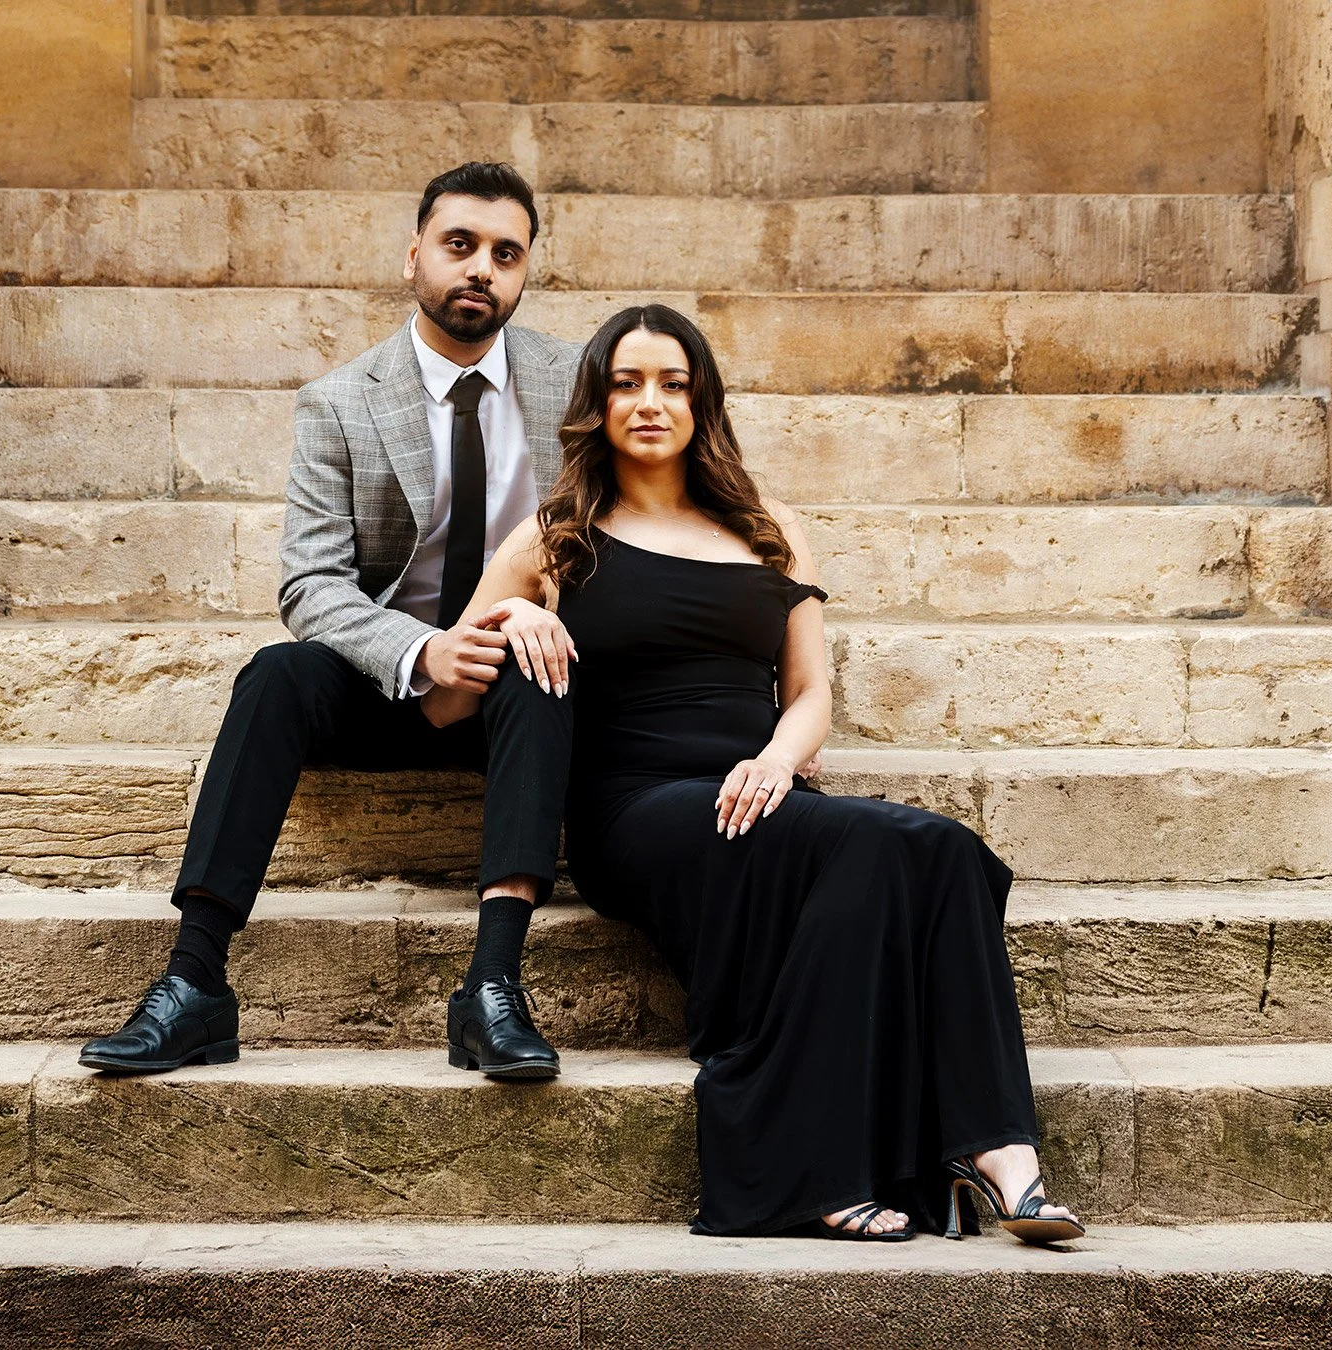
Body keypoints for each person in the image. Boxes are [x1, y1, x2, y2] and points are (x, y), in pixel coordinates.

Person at [422, 304, 1085, 1244]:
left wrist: (777, 759)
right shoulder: (553, 537)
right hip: (638, 812)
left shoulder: (769, 529)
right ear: (595, 404)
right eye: (626, 383)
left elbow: (810, 691)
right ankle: (823, 1171)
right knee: (893, 846)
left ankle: (999, 1154)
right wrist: (508, 620)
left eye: (673, 383)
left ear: (703, 402)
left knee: (933, 850)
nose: (649, 403)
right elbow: (447, 701)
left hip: (761, 789)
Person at [80, 163, 581, 1081]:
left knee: (541, 668)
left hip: (518, 688)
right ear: (413, 258)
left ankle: (493, 987)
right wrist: (424, 652)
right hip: (392, 679)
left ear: (523, 274)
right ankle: (195, 981)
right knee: (275, 675)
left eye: (505, 255)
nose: (481, 270)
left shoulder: (573, 383)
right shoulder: (343, 400)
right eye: (459, 245)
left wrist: (532, 614)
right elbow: (312, 585)